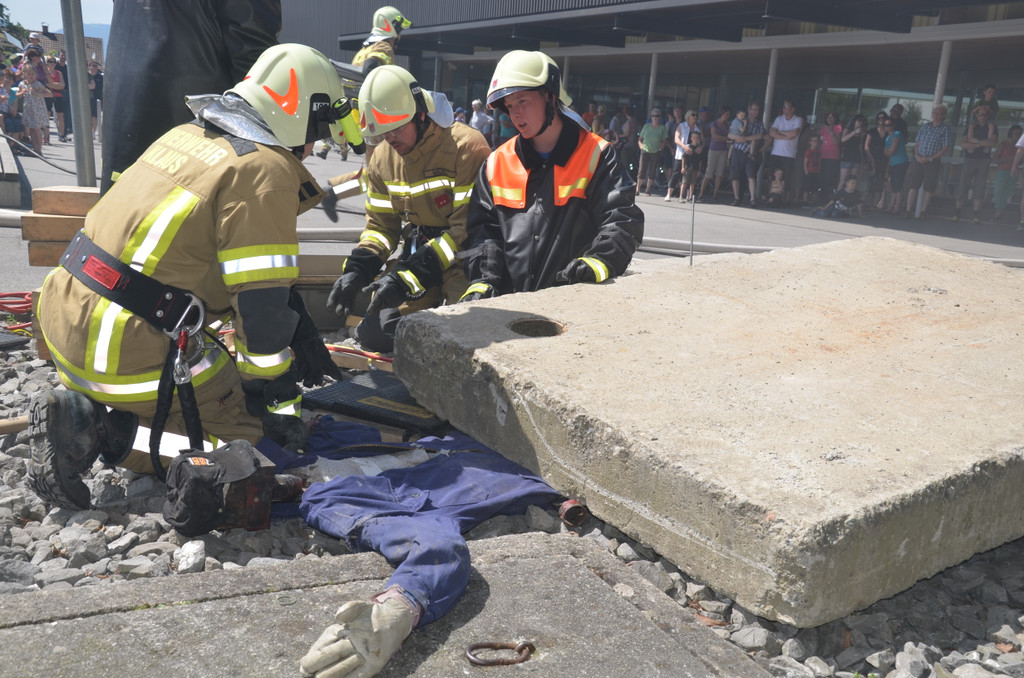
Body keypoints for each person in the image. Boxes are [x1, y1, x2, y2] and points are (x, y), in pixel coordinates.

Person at [28, 44, 347, 511]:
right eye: (318, 130)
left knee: (213, 403)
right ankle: (103, 433)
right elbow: (260, 315)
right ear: (304, 115)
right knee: (249, 452)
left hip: (63, 319)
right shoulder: (264, 169)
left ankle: (86, 412)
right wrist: (271, 397)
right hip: (119, 349)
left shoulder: (185, 135)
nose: (314, 146)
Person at [325, 65, 491, 353]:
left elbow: (465, 230)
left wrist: (406, 277)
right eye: (382, 133)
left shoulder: (466, 146)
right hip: (417, 255)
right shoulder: (381, 159)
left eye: (396, 128)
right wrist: (358, 268)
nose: (390, 139)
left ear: (421, 115)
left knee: (466, 332)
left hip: (463, 258)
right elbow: (380, 227)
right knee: (376, 333)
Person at [459, 50, 643, 300]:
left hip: (570, 305)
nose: (514, 113)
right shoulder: (496, 162)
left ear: (550, 96)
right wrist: (482, 281)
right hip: (508, 309)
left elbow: (622, 220)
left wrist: (599, 262)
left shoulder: (596, 154)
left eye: (522, 101)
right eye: (509, 105)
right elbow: (483, 232)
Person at [100, 0, 281, 193]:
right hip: (197, 138)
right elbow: (255, 58)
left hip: (126, 133)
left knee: (128, 200)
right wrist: (283, 131)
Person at [903, 105, 951, 218]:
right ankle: (908, 210)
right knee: (913, 184)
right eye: (935, 113)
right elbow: (918, 143)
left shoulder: (945, 129)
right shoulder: (925, 126)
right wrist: (916, 155)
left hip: (932, 161)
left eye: (939, 113)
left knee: (929, 186)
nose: (936, 115)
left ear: (944, 116)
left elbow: (945, 148)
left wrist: (930, 158)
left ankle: (923, 211)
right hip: (918, 159)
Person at [954, 104, 997, 223]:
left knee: (980, 187)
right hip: (970, 160)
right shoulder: (970, 126)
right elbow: (963, 144)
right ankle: (957, 213)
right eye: (980, 114)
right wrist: (981, 144)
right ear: (976, 115)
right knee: (963, 185)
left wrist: (975, 143)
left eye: (985, 114)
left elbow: (993, 143)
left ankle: (976, 215)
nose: (983, 116)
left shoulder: (992, 126)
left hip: (984, 160)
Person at [352, 6, 412, 75]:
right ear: (395, 29)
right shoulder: (383, 46)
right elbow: (370, 66)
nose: (400, 36)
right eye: (400, 31)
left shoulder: (363, 50)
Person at [728, 102, 765, 207]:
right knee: (735, 175)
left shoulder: (759, 123)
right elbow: (729, 134)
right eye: (754, 109)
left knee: (751, 175)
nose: (756, 112)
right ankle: (736, 198)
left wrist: (746, 138)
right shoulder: (739, 120)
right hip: (738, 150)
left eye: (757, 110)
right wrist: (738, 138)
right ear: (749, 110)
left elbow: (759, 135)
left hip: (750, 152)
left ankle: (752, 199)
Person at [767, 100, 803, 204]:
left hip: (789, 154)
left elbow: (794, 133)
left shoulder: (798, 120)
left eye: (786, 107)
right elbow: (772, 133)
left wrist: (779, 132)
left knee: (787, 177)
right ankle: (771, 197)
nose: (784, 109)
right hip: (776, 152)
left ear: (793, 109)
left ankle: (785, 198)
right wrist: (786, 136)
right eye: (783, 107)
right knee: (773, 176)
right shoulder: (779, 119)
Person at [15, 61, 51, 155]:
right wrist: (21, 92)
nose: (31, 76)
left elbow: (49, 94)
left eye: (33, 74)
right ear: (24, 74)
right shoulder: (22, 84)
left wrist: (37, 93)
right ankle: (34, 149)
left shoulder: (37, 84)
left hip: (37, 110)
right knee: (31, 129)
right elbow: (17, 95)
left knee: (37, 129)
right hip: (28, 109)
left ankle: (39, 149)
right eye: (29, 74)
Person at [697, 105, 731, 203]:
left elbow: (729, 136)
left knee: (719, 173)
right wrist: (724, 138)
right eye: (726, 114)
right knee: (709, 172)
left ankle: (715, 194)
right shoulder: (714, 124)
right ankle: (701, 193)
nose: (727, 116)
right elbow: (714, 137)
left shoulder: (727, 125)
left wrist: (723, 138)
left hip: (723, 150)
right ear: (722, 114)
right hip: (714, 149)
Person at [636, 107, 667, 196]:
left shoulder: (662, 128)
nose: (655, 117)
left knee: (652, 171)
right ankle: (638, 189)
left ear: (660, 117)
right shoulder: (646, 126)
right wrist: (641, 146)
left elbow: (665, 140)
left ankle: (648, 189)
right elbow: (640, 139)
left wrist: (661, 149)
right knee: (641, 170)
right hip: (645, 150)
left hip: (655, 151)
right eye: (653, 116)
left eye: (657, 116)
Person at [994, 125, 1022, 222]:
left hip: (1013, 172)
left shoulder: (1019, 148)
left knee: (1008, 191)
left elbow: (1020, 161)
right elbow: (995, 159)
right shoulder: (1003, 144)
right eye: (1016, 133)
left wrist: (1017, 160)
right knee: (999, 191)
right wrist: (1008, 159)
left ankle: (1002, 209)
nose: (1018, 135)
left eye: (1020, 134)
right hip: (1002, 171)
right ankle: (998, 211)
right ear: (1011, 133)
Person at [881, 117, 909, 214]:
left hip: (901, 162)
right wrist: (888, 153)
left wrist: (888, 152)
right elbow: (885, 152)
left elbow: (892, 150)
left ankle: (897, 206)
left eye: (888, 125)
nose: (886, 127)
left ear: (893, 126)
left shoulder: (897, 134)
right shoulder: (887, 138)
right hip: (893, 163)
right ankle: (891, 205)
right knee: (893, 185)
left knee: (898, 184)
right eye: (885, 125)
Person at [837, 114, 867, 192]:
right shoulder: (847, 130)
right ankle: (838, 197)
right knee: (843, 180)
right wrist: (854, 132)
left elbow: (860, 147)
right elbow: (843, 139)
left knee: (852, 180)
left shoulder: (860, 133)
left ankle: (849, 197)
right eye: (859, 121)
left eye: (862, 121)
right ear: (854, 121)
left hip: (856, 158)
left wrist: (862, 160)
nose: (860, 123)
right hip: (847, 157)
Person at [818, 112, 842, 196]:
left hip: (832, 157)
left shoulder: (838, 127)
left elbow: (836, 142)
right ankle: (821, 195)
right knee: (822, 176)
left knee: (828, 177)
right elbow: (820, 140)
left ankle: (826, 196)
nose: (829, 119)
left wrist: (831, 131)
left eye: (831, 117)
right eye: (828, 117)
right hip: (823, 155)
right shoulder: (824, 127)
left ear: (835, 118)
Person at [802, 135, 822, 205]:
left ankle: (814, 201)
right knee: (806, 187)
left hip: (816, 172)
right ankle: (805, 201)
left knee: (815, 187)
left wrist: (819, 171)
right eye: (814, 141)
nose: (816, 142)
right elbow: (805, 163)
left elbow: (819, 162)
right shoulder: (808, 151)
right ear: (810, 142)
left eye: (817, 141)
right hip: (809, 171)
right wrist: (806, 172)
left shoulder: (819, 151)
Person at [87, 61, 103, 137]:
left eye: (96, 66)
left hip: (97, 99)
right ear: (89, 66)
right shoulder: (87, 76)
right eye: (93, 65)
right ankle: (88, 132)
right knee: (88, 116)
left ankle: (93, 133)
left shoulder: (100, 77)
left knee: (95, 117)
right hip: (88, 98)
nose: (94, 67)